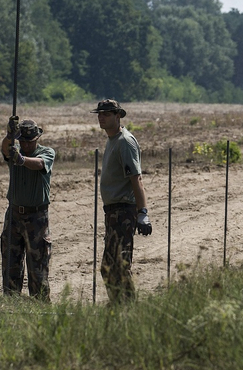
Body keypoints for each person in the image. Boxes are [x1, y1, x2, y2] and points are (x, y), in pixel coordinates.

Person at [92, 99, 152, 305]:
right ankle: (120, 307)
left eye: (107, 114)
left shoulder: (124, 141)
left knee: (118, 266)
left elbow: (136, 178)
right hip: (113, 213)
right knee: (110, 267)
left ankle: (129, 310)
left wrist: (142, 212)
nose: (102, 117)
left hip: (123, 212)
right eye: (100, 114)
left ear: (118, 116)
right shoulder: (113, 140)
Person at [0, 116, 55, 302]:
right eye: (22, 141)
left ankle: (40, 310)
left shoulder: (46, 152)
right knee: (11, 268)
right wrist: (9, 135)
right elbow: (5, 149)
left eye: (29, 142)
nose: (25, 145)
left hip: (36, 218)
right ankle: (11, 308)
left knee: (37, 272)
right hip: (14, 216)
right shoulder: (14, 152)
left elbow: (39, 164)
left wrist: (22, 160)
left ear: (37, 139)